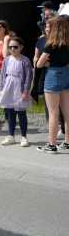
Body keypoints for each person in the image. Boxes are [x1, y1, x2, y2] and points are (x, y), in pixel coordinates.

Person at [36, 16, 69, 153]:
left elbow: (39, 64)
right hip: (67, 74)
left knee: (53, 112)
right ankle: (67, 142)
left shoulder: (51, 44)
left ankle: (52, 145)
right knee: (67, 112)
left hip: (53, 75)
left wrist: (49, 63)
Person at [0, 37, 33, 147]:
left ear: (21, 47)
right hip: (8, 86)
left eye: (15, 47)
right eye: (10, 47)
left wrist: (26, 91)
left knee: (21, 112)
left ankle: (24, 136)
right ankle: (11, 136)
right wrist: (1, 89)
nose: (12, 49)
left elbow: (28, 77)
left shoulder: (25, 60)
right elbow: (3, 75)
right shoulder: (6, 60)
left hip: (19, 87)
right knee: (10, 112)